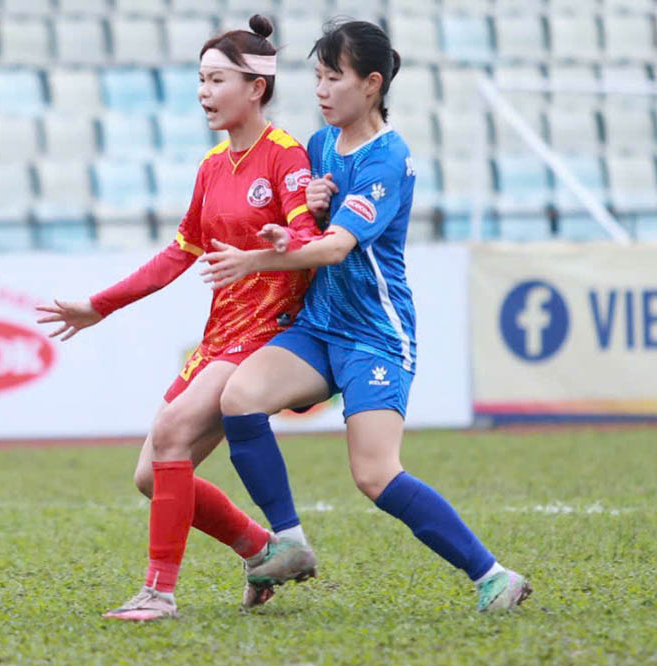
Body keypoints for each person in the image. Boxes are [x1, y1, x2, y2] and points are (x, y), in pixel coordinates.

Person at [199, 19, 532, 613]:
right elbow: (306, 228)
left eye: (334, 78)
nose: (321, 90)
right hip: (318, 326)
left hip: (375, 335)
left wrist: (257, 258)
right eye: (317, 77)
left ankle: (492, 576)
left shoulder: (388, 157)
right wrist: (302, 215)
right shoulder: (320, 144)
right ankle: (289, 543)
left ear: (372, 84)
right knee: (239, 398)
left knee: (375, 476)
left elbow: (334, 249)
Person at [36, 15, 329, 621]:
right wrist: (98, 305)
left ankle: (158, 593)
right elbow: (179, 252)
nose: (203, 92)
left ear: (256, 88)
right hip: (220, 337)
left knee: (171, 432)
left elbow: (308, 236)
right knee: (151, 475)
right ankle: (262, 549)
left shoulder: (286, 156)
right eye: (200, 79)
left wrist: (287, 238)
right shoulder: (213, 165)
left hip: (268, 335)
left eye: (216, 79)